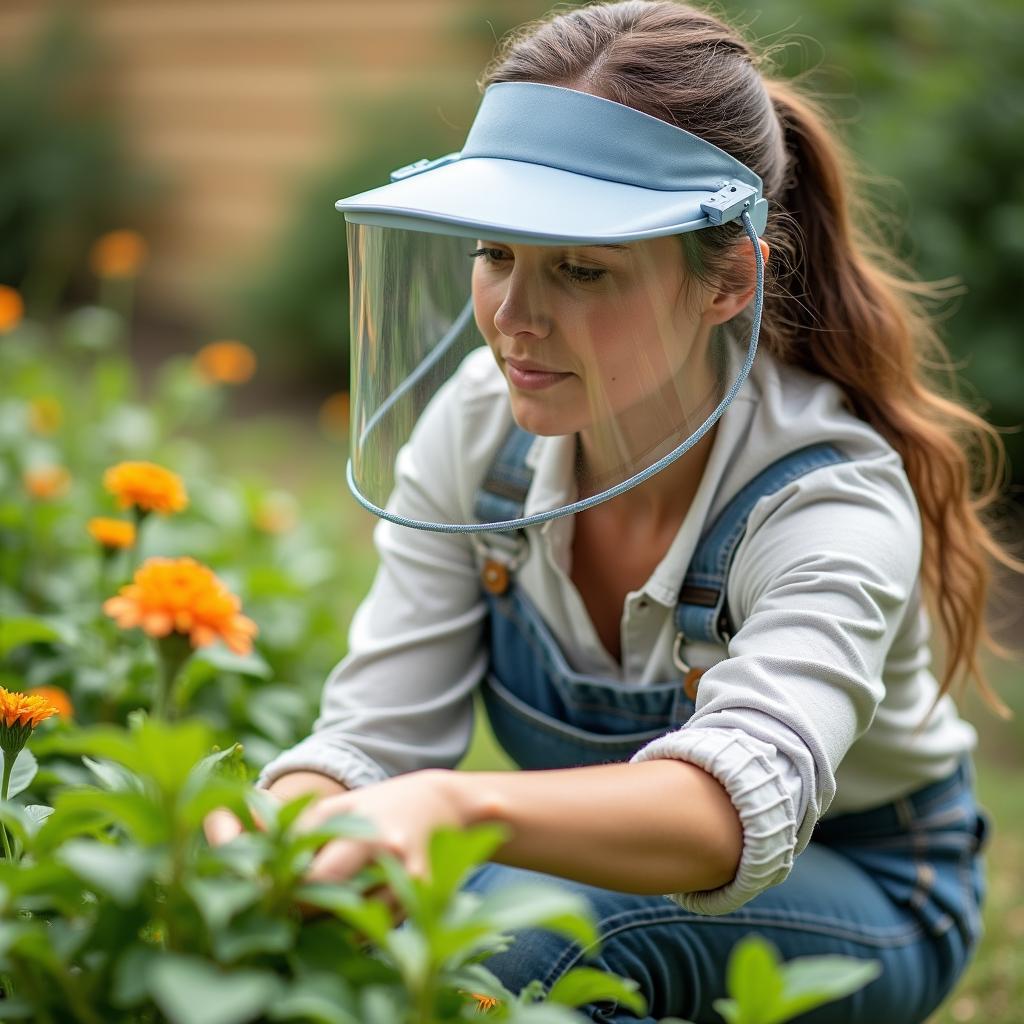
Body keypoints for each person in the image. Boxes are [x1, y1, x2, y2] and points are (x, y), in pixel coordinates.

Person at [205, 2, 1019, 1020]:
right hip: (590, 874)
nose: (512, 318)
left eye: (580, 268)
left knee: (516, 934)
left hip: (869, 882)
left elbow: (734, 805)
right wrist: (281, 835)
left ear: (727, 279)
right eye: (496, 252)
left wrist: (457, 804)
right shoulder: (473, 432)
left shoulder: (827, 496)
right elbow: (375, 736)